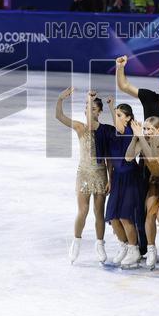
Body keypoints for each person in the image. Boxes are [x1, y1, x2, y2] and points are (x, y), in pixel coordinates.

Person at [56, 88, 110, 264]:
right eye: (87, 107)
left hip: (101, 173)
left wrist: (110, 178)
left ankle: (100, 244)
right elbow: (59, 117)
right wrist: (60, 99)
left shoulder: (104, 131)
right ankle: (76, 241)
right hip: (84, 173)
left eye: (93, 108)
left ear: (99, 112)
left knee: (98, 212)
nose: (89, 110)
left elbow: (109, 158)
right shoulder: (80, 127)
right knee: (83, 210)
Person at [95, 99, 142, 268]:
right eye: (115, 115)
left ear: (128, 118)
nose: (115, 118)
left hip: (130, 178)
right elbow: (109, 159)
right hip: (117, 178)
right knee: (113, 217)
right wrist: (109, 178)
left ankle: (133, 250)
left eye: (119, 115)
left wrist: (110, 106)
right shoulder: (114, 134)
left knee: (125, 216)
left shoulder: (129, 131)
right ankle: (124, 245)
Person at [127, 117, 159, 269]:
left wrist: (141, 138)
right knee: (150, 215)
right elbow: (128, 157)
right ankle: (151, 250)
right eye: (145, 129)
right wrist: (136, 137)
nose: (147, 132)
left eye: (150, 129)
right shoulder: (143, 142)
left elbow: (153, 157)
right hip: (154, 184)